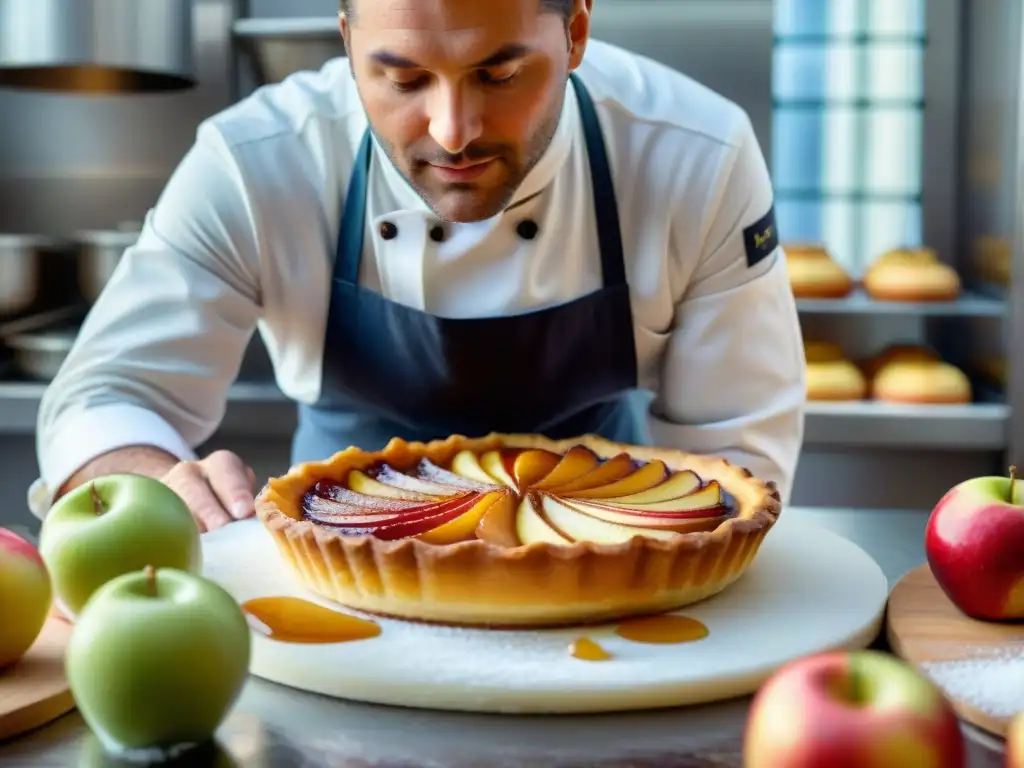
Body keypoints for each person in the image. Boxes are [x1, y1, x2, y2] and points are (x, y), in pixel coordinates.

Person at [30, 0, 806, 531]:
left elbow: (734, 458)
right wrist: (153, 484)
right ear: (346, 40)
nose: (453, 131)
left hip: (614, 553)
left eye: (499, 76)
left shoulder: (695, 153)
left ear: (574, 32)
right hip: (339, 570)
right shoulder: (256, 160)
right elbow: (108, 394)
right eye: (402, 79)